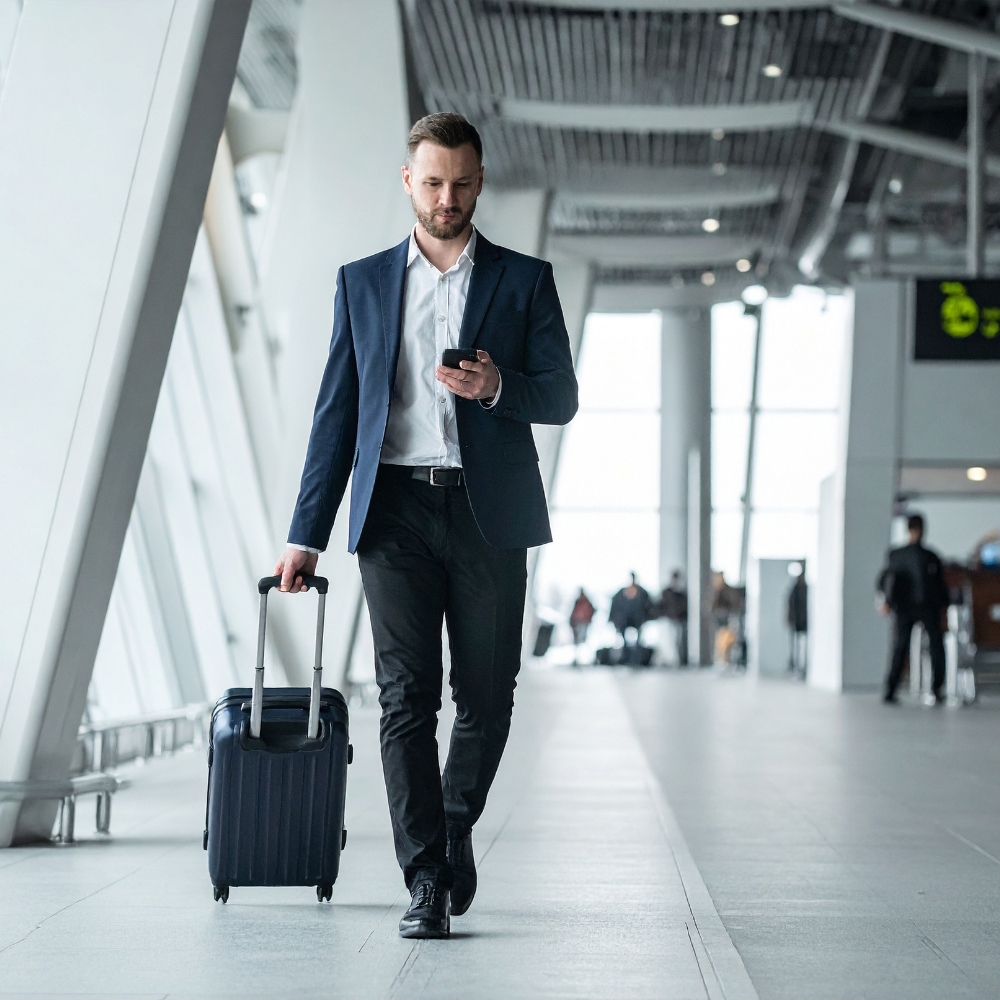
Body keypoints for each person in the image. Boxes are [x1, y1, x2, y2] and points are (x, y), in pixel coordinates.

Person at [274, 113, 578, 938]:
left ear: (481, 184)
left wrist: (495, 387)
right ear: (407, 181)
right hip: (395, 512)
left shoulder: (525, 280)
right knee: (405, 699)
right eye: (433, 182)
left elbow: (562, 396)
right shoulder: (363, 283)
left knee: (486, 694)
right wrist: (304, 533)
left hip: (490, 512)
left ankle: (452, 824)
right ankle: (424, 880)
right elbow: (336, 417)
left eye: (463, 183)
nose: (448, 198)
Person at [877, 513, 949, 704]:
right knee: (934, 645)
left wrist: (885, 601)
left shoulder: (897, 555)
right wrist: (945, 605)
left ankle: (891, 689)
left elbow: (884, 580)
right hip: (926, 607)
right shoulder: (930, 556)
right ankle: (937, 688)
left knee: (901, 646)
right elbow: (941, 586)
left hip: (905, 607)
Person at [609, 573, 654, 647]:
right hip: (623, 621)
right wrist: (613, 618)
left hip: (638, 620)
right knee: (623, 640)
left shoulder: (642, 593)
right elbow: (614, 606)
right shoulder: (620, 593)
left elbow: (649, 606)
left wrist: (646, 618)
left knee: (639, 642)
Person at [659, 570, 688, 666]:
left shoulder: (681, 593)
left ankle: (678, 660)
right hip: (669, 619)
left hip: (679, 620)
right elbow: (662, 605)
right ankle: (670, 659)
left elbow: (683, 607)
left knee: (678, 640)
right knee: (669, 640)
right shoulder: (667, 592)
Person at [787, 566, 807, 677]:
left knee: (801, 647)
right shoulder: (796, 589)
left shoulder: (804, 588)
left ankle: (800, 668)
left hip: (802, 623)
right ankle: (794, 667)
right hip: (797, 623)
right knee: (795, 647)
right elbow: (791, 607)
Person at [569, 588, 595, 664]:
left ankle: (584, 658)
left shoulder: (586, 602)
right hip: (578, 623)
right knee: (578, 641)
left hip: (583, 623)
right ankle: (577, 658)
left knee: (581, 640)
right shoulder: (578, 601)